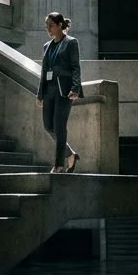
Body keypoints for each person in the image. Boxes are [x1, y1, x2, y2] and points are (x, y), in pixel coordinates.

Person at [36, 11, 83, 173]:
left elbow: (76, 67)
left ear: (60, 25)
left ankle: (59, 165)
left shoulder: (71, 43)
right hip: (49, 90)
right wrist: (40, 94)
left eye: (51, 26)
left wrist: (75, 88)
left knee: (59, 126)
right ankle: (70, 154)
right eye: (46, 26)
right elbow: (44, 71)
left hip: (64, 90)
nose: (48, 29)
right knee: (48, 125)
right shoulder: (47, 47)